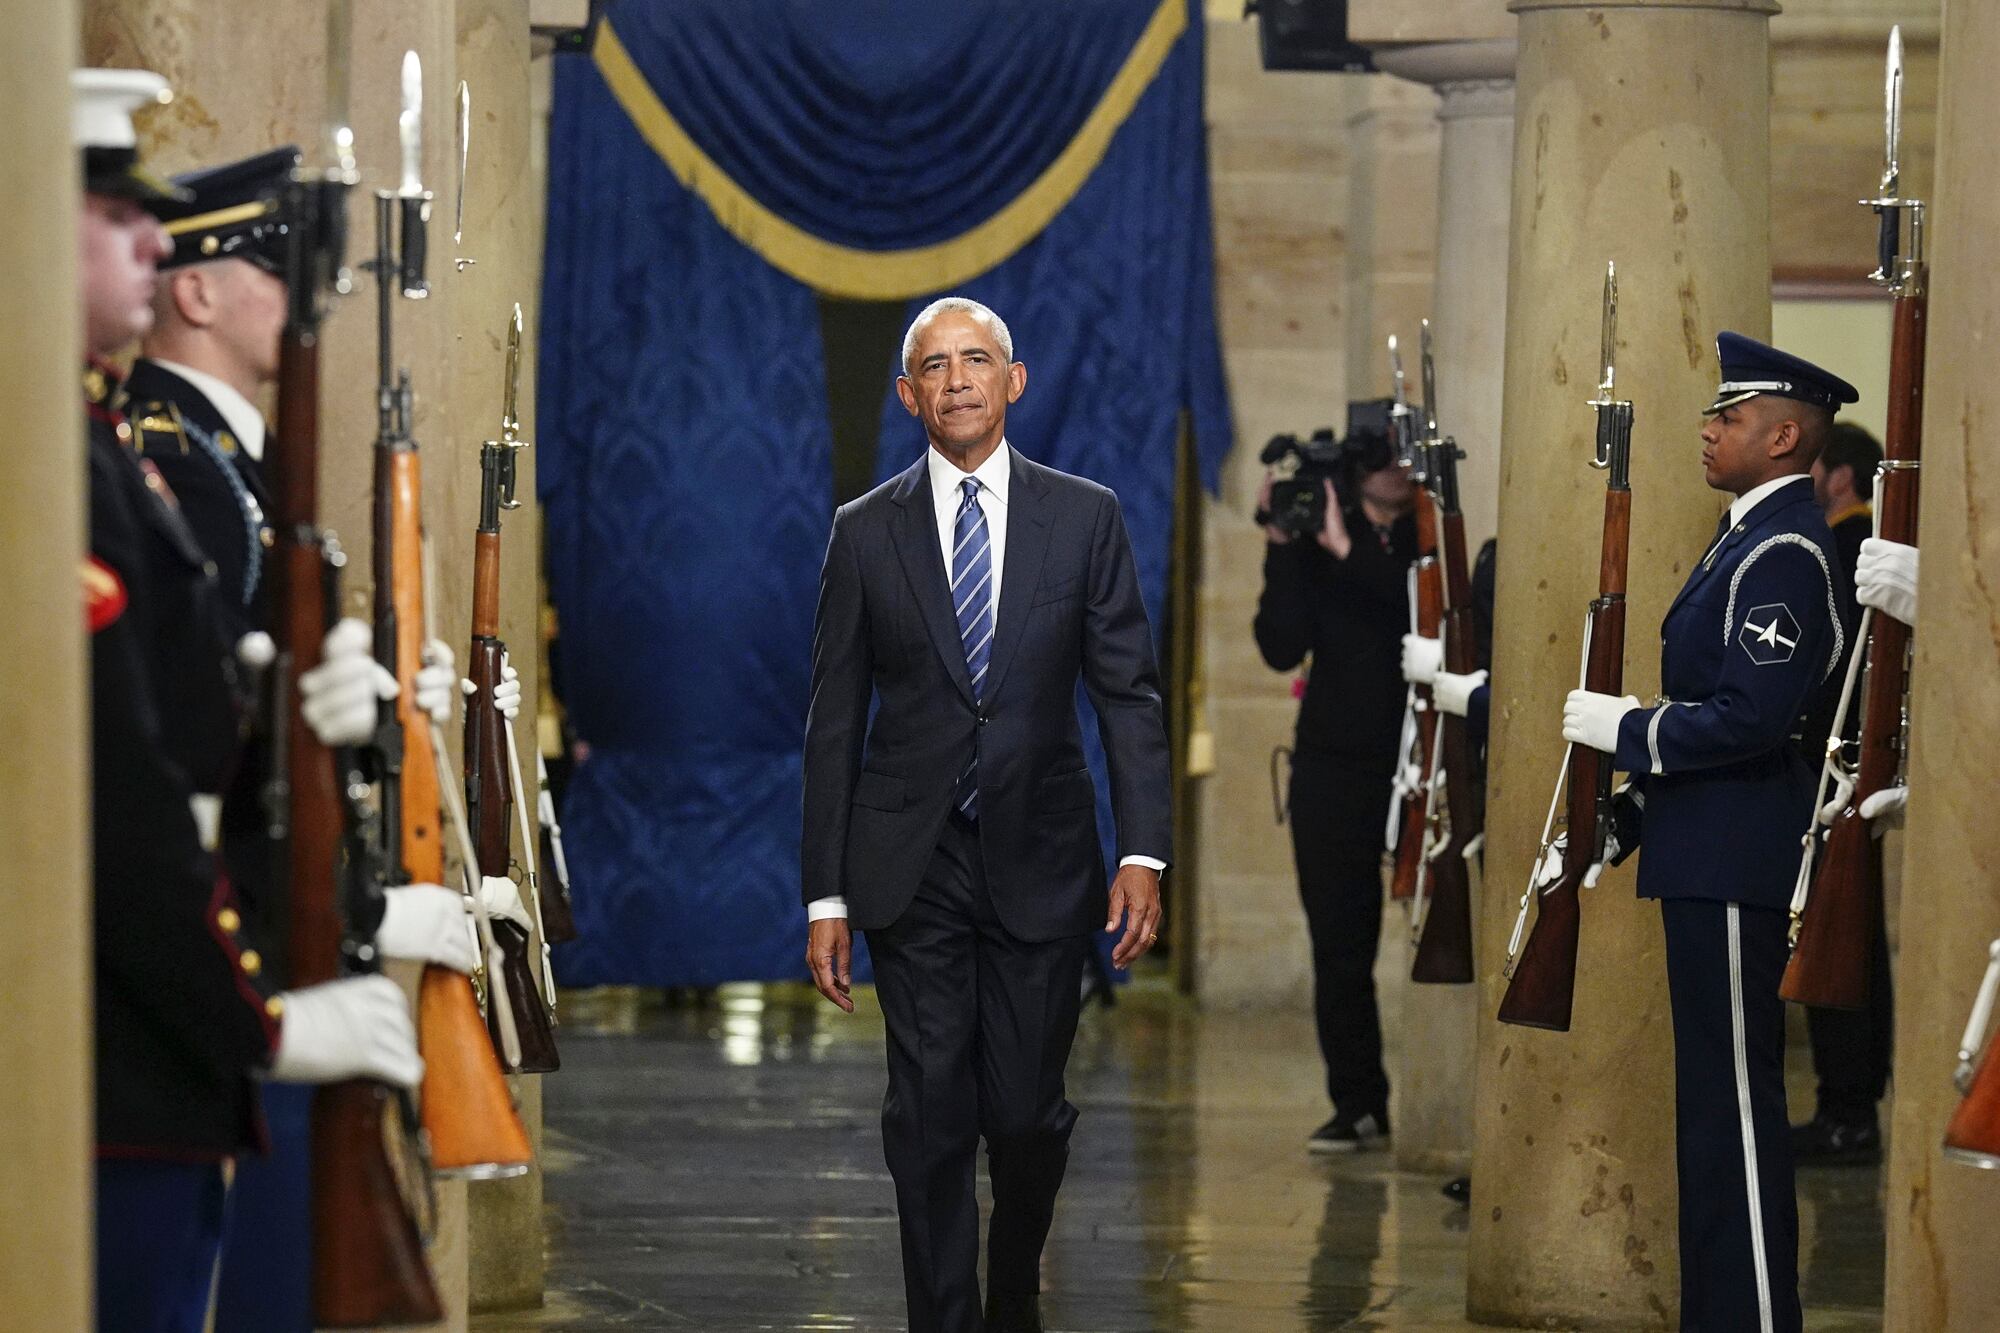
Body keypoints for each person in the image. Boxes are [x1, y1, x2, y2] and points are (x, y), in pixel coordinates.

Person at [126, 145, 479, 1331]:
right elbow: (201, 765)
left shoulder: (231, 465)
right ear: (198, 291)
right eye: (274, 267)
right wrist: (363, 914)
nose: (307, 298)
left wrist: (384, 712)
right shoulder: (178, 465)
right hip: (225, 946)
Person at [802, 297, 1172, 1333]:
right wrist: (824, 893)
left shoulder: (1083, 515)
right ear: (906, 393)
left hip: (1042, 857)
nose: (955, 379)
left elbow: (1127, 694)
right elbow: (831, 718)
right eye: (934, 364)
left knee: (1022, 1114)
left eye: (975, 360)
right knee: (926, 1114)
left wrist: (1141, 850)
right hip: (909, 864)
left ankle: (1014, 1288)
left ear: (1013, 380)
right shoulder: (863, 531)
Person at [1562, 332, 1857, 1333]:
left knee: (1733, 1110)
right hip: (1703, 849)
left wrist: (1625, 729)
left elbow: (1748, 718)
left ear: (1782, 436)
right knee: (1706, 1115)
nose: (1707, 429)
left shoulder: (1781, 549)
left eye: (1727, 418)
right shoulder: (1740, 535)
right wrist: (1634, 813)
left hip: (1738, 862)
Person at [1253, 409, 1416, 1154]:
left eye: (1405, 453)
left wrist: (1348, 548)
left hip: (1424, 759)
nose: (1395, 468)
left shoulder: (1429, 535)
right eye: (1380, 455)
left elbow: (1423, 617)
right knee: (1339, 944)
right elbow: (1280, 646)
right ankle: (1358, 1100)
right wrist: (1283, 547)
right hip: (1333, 766)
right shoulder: (1317, 537)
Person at [1793, 421, 1891, 1164]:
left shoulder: (1845, 548)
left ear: (1841, 476)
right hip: (1851, 768)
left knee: (1837, 940)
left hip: (1834, 772)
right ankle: (1848, 1104)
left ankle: (1847, 1108)